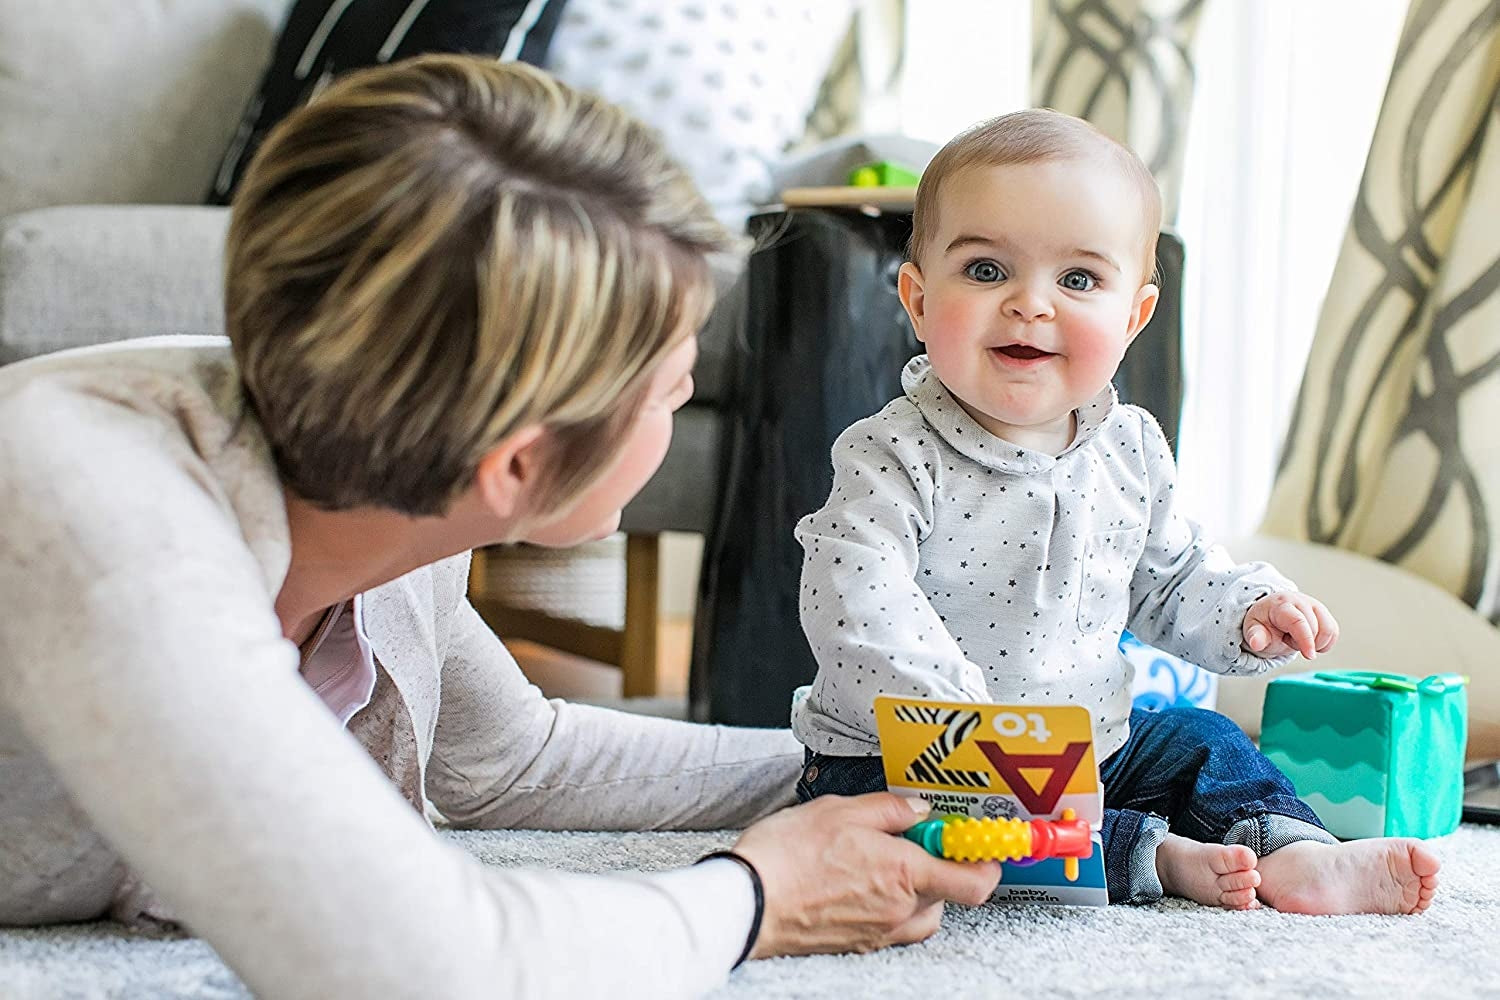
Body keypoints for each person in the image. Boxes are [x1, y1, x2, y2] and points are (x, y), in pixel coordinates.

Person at [0, 55, 1002, 998]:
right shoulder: (109, 524)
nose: (689, 392)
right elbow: (428, 962)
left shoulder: (373, 464)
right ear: (515, 463)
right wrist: (758, 895)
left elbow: (510, 758)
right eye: (670, 385)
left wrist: (874, 766)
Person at [791, 109, 1441, 915]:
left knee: (1204, 742)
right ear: (919, 301)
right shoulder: (890, 453)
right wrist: (963, 719)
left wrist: (1247, 610)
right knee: (902, 835)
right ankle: (1154, 856)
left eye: (1077, 280)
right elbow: (858, 599)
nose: (1031, 304)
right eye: (987, 271)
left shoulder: (1129, 449)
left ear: (1133, 318)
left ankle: (1293, 846)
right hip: (909, 756)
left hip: (1095, 746)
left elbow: (1169, 578)